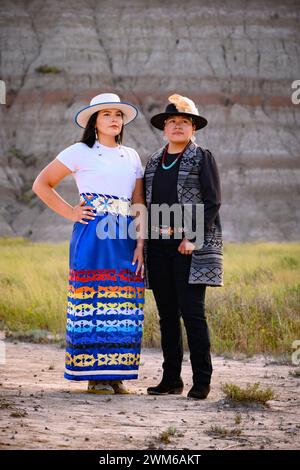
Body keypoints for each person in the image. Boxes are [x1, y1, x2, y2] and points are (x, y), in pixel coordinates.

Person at [32, 93, 145, 395]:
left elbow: (138, 202)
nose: (113, 119)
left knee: (123, 300)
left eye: (117, 115)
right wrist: (70, 211)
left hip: (125, 233)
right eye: (106, 114)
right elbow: (41, 183)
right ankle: (95, 377)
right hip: (93, 230)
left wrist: (141, 242)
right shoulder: (80, 151)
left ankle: (116, 374)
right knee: (92, 298)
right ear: (94, 121)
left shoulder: (131, 156)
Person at [143, 94, 223, 399]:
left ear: (193, 128)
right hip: (158, 247)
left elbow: (213, 201)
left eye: (184, 122)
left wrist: (193, 237)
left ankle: (202, 381)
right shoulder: (153, 160)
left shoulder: (202, 157)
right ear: (164, 127)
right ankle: (171, 380)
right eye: (172, 122)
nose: (177, 126)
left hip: (189, 246)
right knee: (166, 316)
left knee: (192, 313)